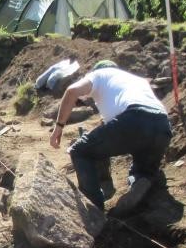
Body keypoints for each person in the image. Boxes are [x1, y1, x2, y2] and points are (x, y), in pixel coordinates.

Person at [49, 60, 172, 214]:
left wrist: (59, 127)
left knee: (80, 151)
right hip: (162, 126)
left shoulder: (99, 74)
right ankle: (142, 180)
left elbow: (71, 91)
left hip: (133, 119)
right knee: (142, 170)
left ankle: (94, 210)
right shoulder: (135, 80)